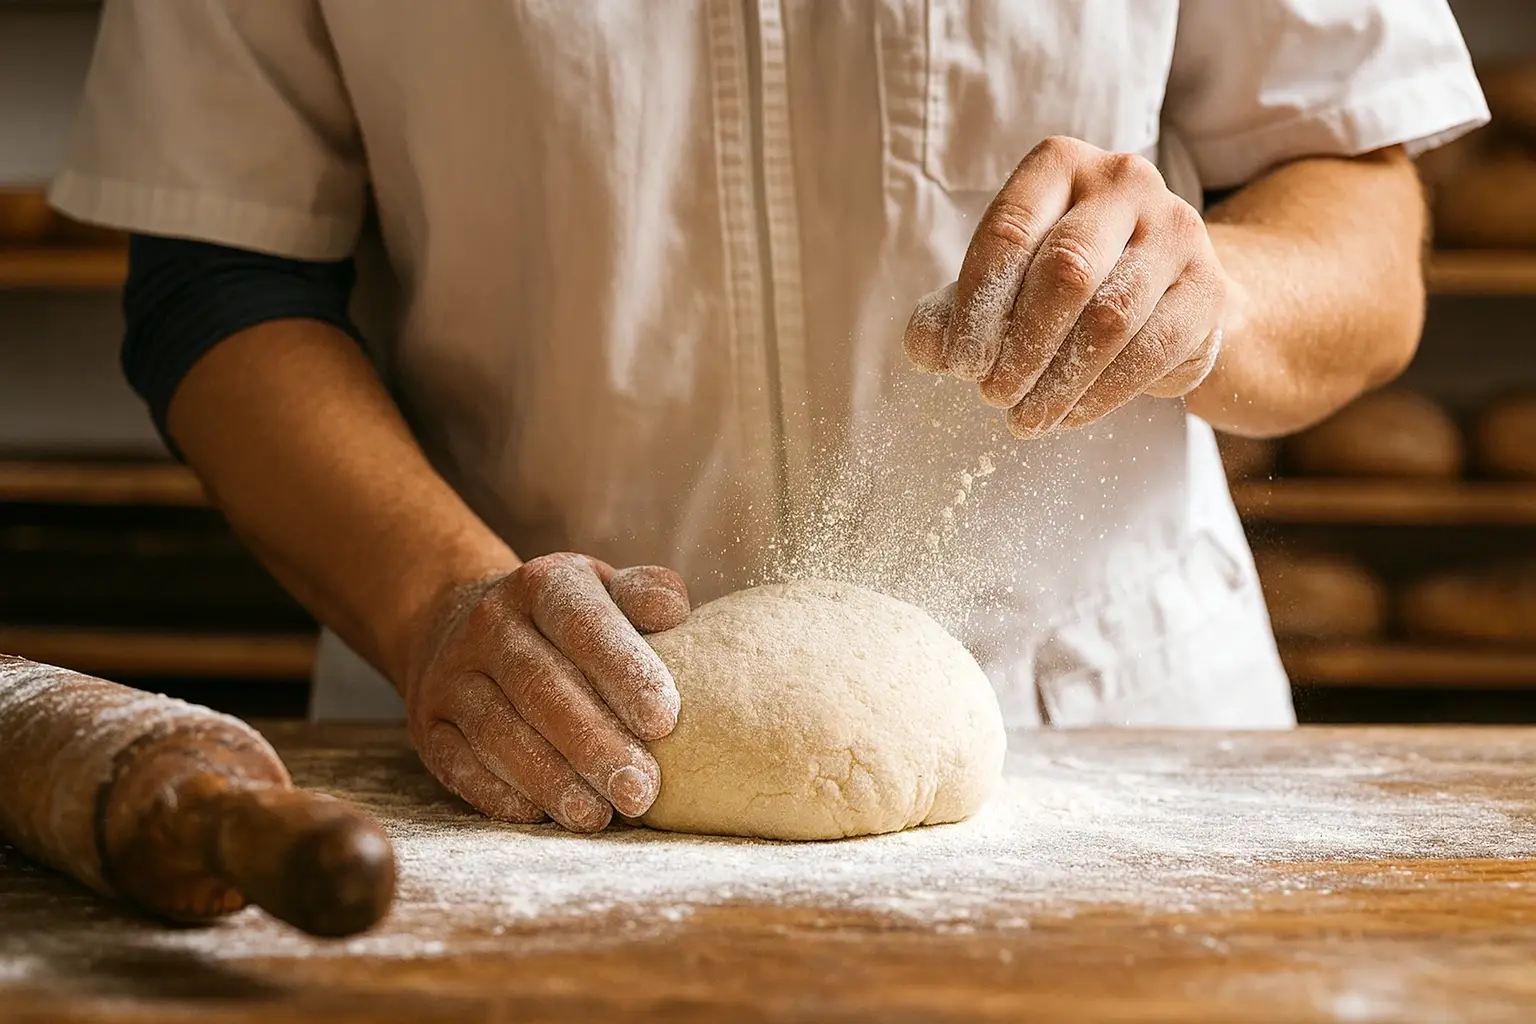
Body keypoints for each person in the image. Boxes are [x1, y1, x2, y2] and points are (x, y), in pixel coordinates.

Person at [51, 2, 1486, 833]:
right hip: (518, 745)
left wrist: (1214, 292)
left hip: (1120, 747)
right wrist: (437, 603)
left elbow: (1359, 208)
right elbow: (216, 277)